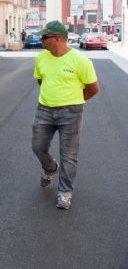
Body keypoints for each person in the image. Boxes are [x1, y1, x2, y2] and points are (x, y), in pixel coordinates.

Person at [31, 20, 99, 210]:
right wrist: (51, 97)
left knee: (68, 155)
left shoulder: (81, 60)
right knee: (37, 146)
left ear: (58, 38)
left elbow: (93, 88)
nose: (41, 40)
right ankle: (50, 167)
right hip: (44, 109)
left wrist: (74, 100)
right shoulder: (41, 58)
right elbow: (41, 80)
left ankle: (65, 192)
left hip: (71, 112)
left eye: (44, 37)